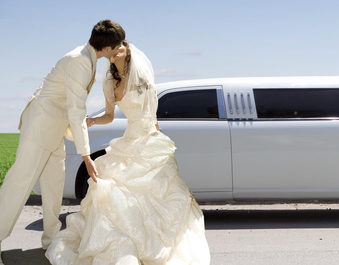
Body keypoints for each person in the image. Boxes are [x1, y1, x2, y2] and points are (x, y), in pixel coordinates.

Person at [45, 41, 210, 264]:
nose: (119, 47)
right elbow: (111, 116)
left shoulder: (143, 79)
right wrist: (94, 119)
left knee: (160, 193)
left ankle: (157, 246)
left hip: (149, 140)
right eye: (114, 47)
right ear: (110, 56)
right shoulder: (110, 83)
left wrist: (158, 139)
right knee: (109, 189)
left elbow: (153, 114)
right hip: (130, 139)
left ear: (128, 49)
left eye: (122, 44)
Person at [0, 20, 124, 264]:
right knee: (20, 182)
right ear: (108, 48)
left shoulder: (86, 58)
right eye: (117, 46)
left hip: (54, 129)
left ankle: (51, 241)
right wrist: (87, 156)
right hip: (40, 127)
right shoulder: (79, 60)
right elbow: (76, 110)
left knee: (54, 183)